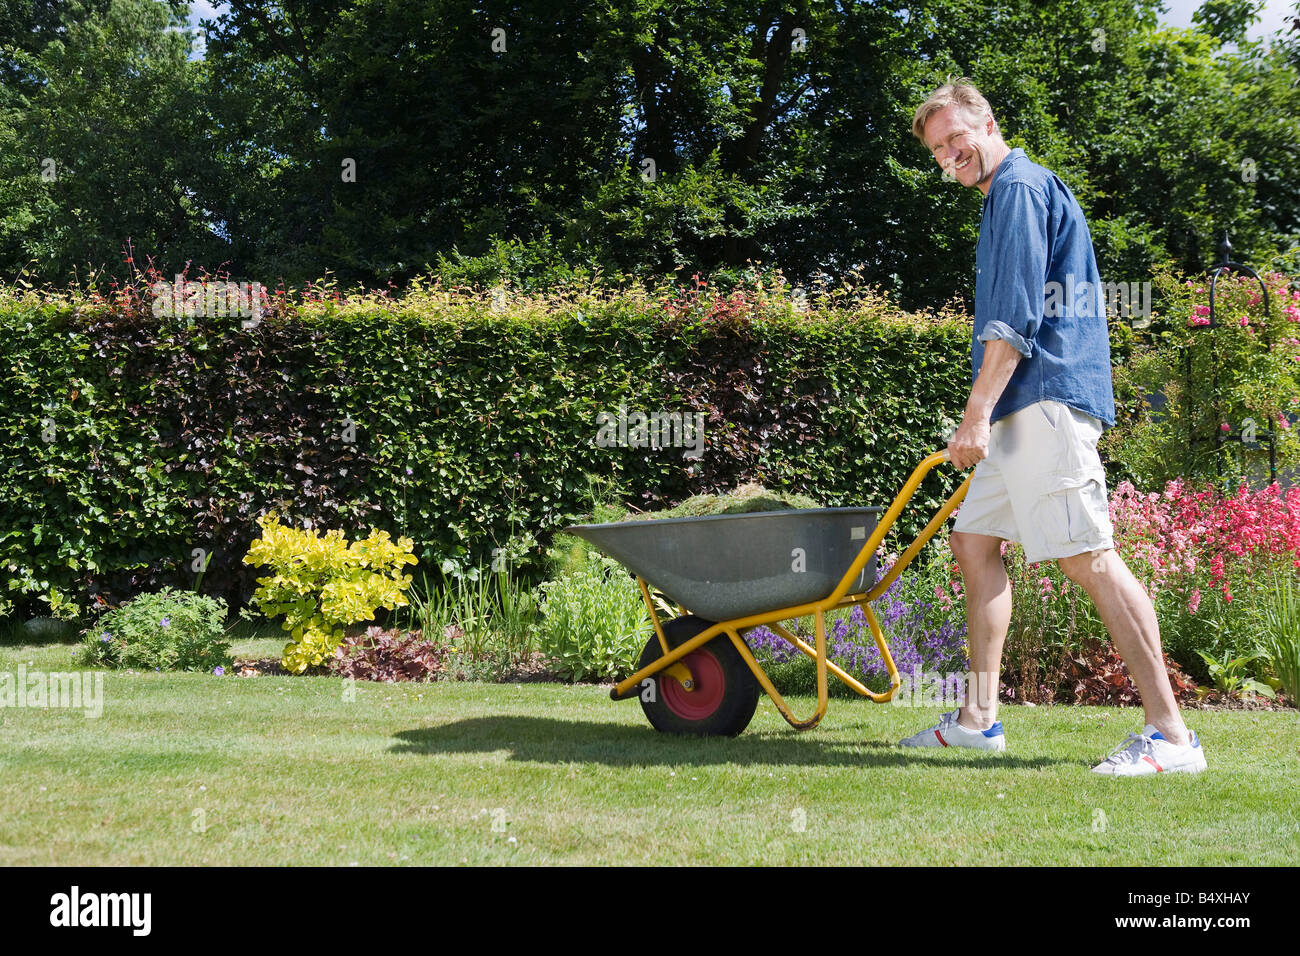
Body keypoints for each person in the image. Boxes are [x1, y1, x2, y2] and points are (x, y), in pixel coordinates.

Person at [898, 78, 1206, 775]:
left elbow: (1013, 318)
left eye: (956, 139)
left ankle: (1172, 737)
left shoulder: (1017, 188)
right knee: (975, 543)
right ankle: (978, 720)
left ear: (988, 123)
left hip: (1042, 404)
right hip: (1020, 409)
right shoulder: (1021, 191)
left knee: (1086, 556)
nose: (951, 156)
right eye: (939, 150)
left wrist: (975, 413)